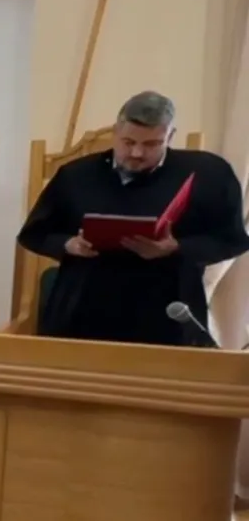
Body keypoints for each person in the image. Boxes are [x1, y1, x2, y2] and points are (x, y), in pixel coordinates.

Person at [18, 91, 249, 345]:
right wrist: (69, 244)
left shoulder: (208, 174)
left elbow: (232, 240)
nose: (137, 153)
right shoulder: (76, 175)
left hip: (167, 313)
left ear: (170, 136)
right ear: (115, 132)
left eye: (152, 144)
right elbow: (34, 233)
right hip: (83, 309)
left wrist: (176, 247)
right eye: (128, 142)